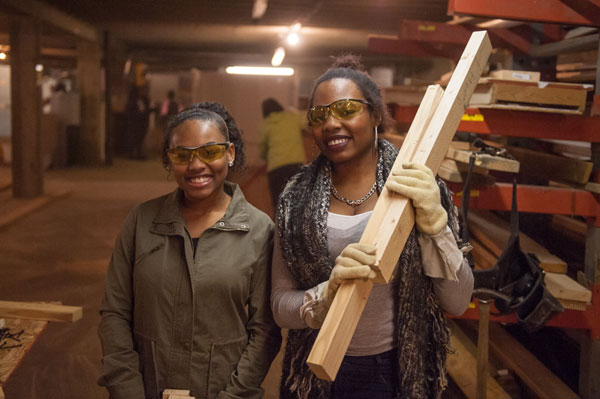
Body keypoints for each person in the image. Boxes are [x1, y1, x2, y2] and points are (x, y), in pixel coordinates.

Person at [271, 56, 474, 399]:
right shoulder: (295, 200)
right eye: (319, 115)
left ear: (376, 114)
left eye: (347, 109)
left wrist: (435, 227)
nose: (332, 123)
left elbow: (458, 301)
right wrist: (326, 295)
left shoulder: (419, 186)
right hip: (315, 372)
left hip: (397, 370)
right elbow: (280, 306)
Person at [98, 102, 282, 399]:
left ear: (230, 153)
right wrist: (127, 389)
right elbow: (115, 313)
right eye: (182, 155)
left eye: (210, 152)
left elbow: (265, 332)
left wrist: (234, 395)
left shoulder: (259, 231)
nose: (196, 165)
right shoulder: (141, 221)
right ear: (169, 161)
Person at [258, 98, 306, 207]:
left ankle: (280, 223)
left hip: (275, 169)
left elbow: (262, 149)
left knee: (278, 202)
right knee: (298, 201)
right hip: (296, 166)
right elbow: (307, 122)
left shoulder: (265, 124)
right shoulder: (292, 118)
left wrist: (265, 157)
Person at [126, 86, 151, 159]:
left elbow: (146, 108)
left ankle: (138, 154)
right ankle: (133, 154)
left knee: (139, 139)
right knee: (134, 139)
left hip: (141, 123)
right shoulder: (132, 102)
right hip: (136, 123)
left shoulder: (142, 100)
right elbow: (131, 112)